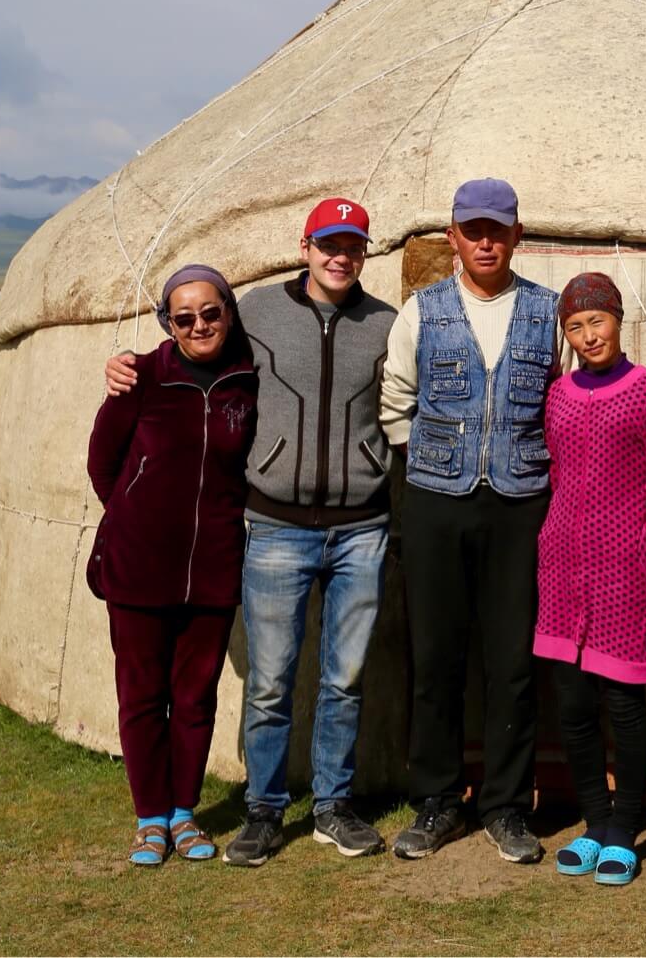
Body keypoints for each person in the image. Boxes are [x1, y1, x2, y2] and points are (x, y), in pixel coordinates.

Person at [104, 199, 398, 867]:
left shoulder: (386, 322)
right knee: (269, 680)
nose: (339, 256)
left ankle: (333, 806)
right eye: (328, 243)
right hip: (276, 524)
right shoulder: (257, 311)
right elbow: (191, 343)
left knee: (345, 678)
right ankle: (264, 812)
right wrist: (128, 363)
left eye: (352, 245)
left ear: (364, 252)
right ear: (305, 246)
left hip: (361, 525)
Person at [381, 178, 561, 865]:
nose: (485, 241)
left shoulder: (549, 313)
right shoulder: (421, 312)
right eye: (472, 230)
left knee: (512, 659)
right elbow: (396, 399)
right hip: (435, 499)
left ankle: (508, 806)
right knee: (437, 656)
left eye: (498, 229)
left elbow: (563, 402)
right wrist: (427, 464)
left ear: (517, 235)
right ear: (451, 237)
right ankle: (435, 799)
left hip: (521, 504)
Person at [86, 264, 257, 866]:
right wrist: (137, 519)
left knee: (194, 695)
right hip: (138, 567)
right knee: (140, 694)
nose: (199, 324)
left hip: (213, 565)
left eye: (210, 312)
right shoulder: (141, 377)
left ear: (229, 313)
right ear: (168, 323)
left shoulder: (248, 375)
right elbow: (103, 464)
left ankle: (186, 814)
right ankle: (150, 819)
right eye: (184, 317)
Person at [533, 272, 646, 886]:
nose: (588, 335)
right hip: (561, 567)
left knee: (623, 702)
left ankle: (625, 828)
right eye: (575, 326)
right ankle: (594, 823)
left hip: (625, 566)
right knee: (571, 705)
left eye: (597, 321)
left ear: (618, 320)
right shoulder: (558, 395)